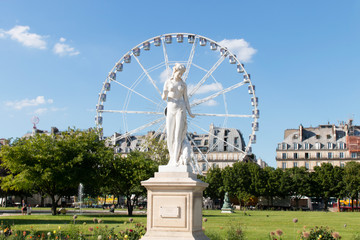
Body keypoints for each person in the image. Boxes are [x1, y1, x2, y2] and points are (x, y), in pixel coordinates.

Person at [162, 63, 195, 166]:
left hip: (180, 108)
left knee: (178, 136)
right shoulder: (168, 82)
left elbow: (186, 100)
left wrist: (190, 112)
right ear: (175, 71)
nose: (180, 75)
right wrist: (165, 92)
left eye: (182, 73)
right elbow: (163, 97)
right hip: (171, 107)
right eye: (179, 73)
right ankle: (172, 158)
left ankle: (175, 159)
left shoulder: (183, 84)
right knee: (170, 135)